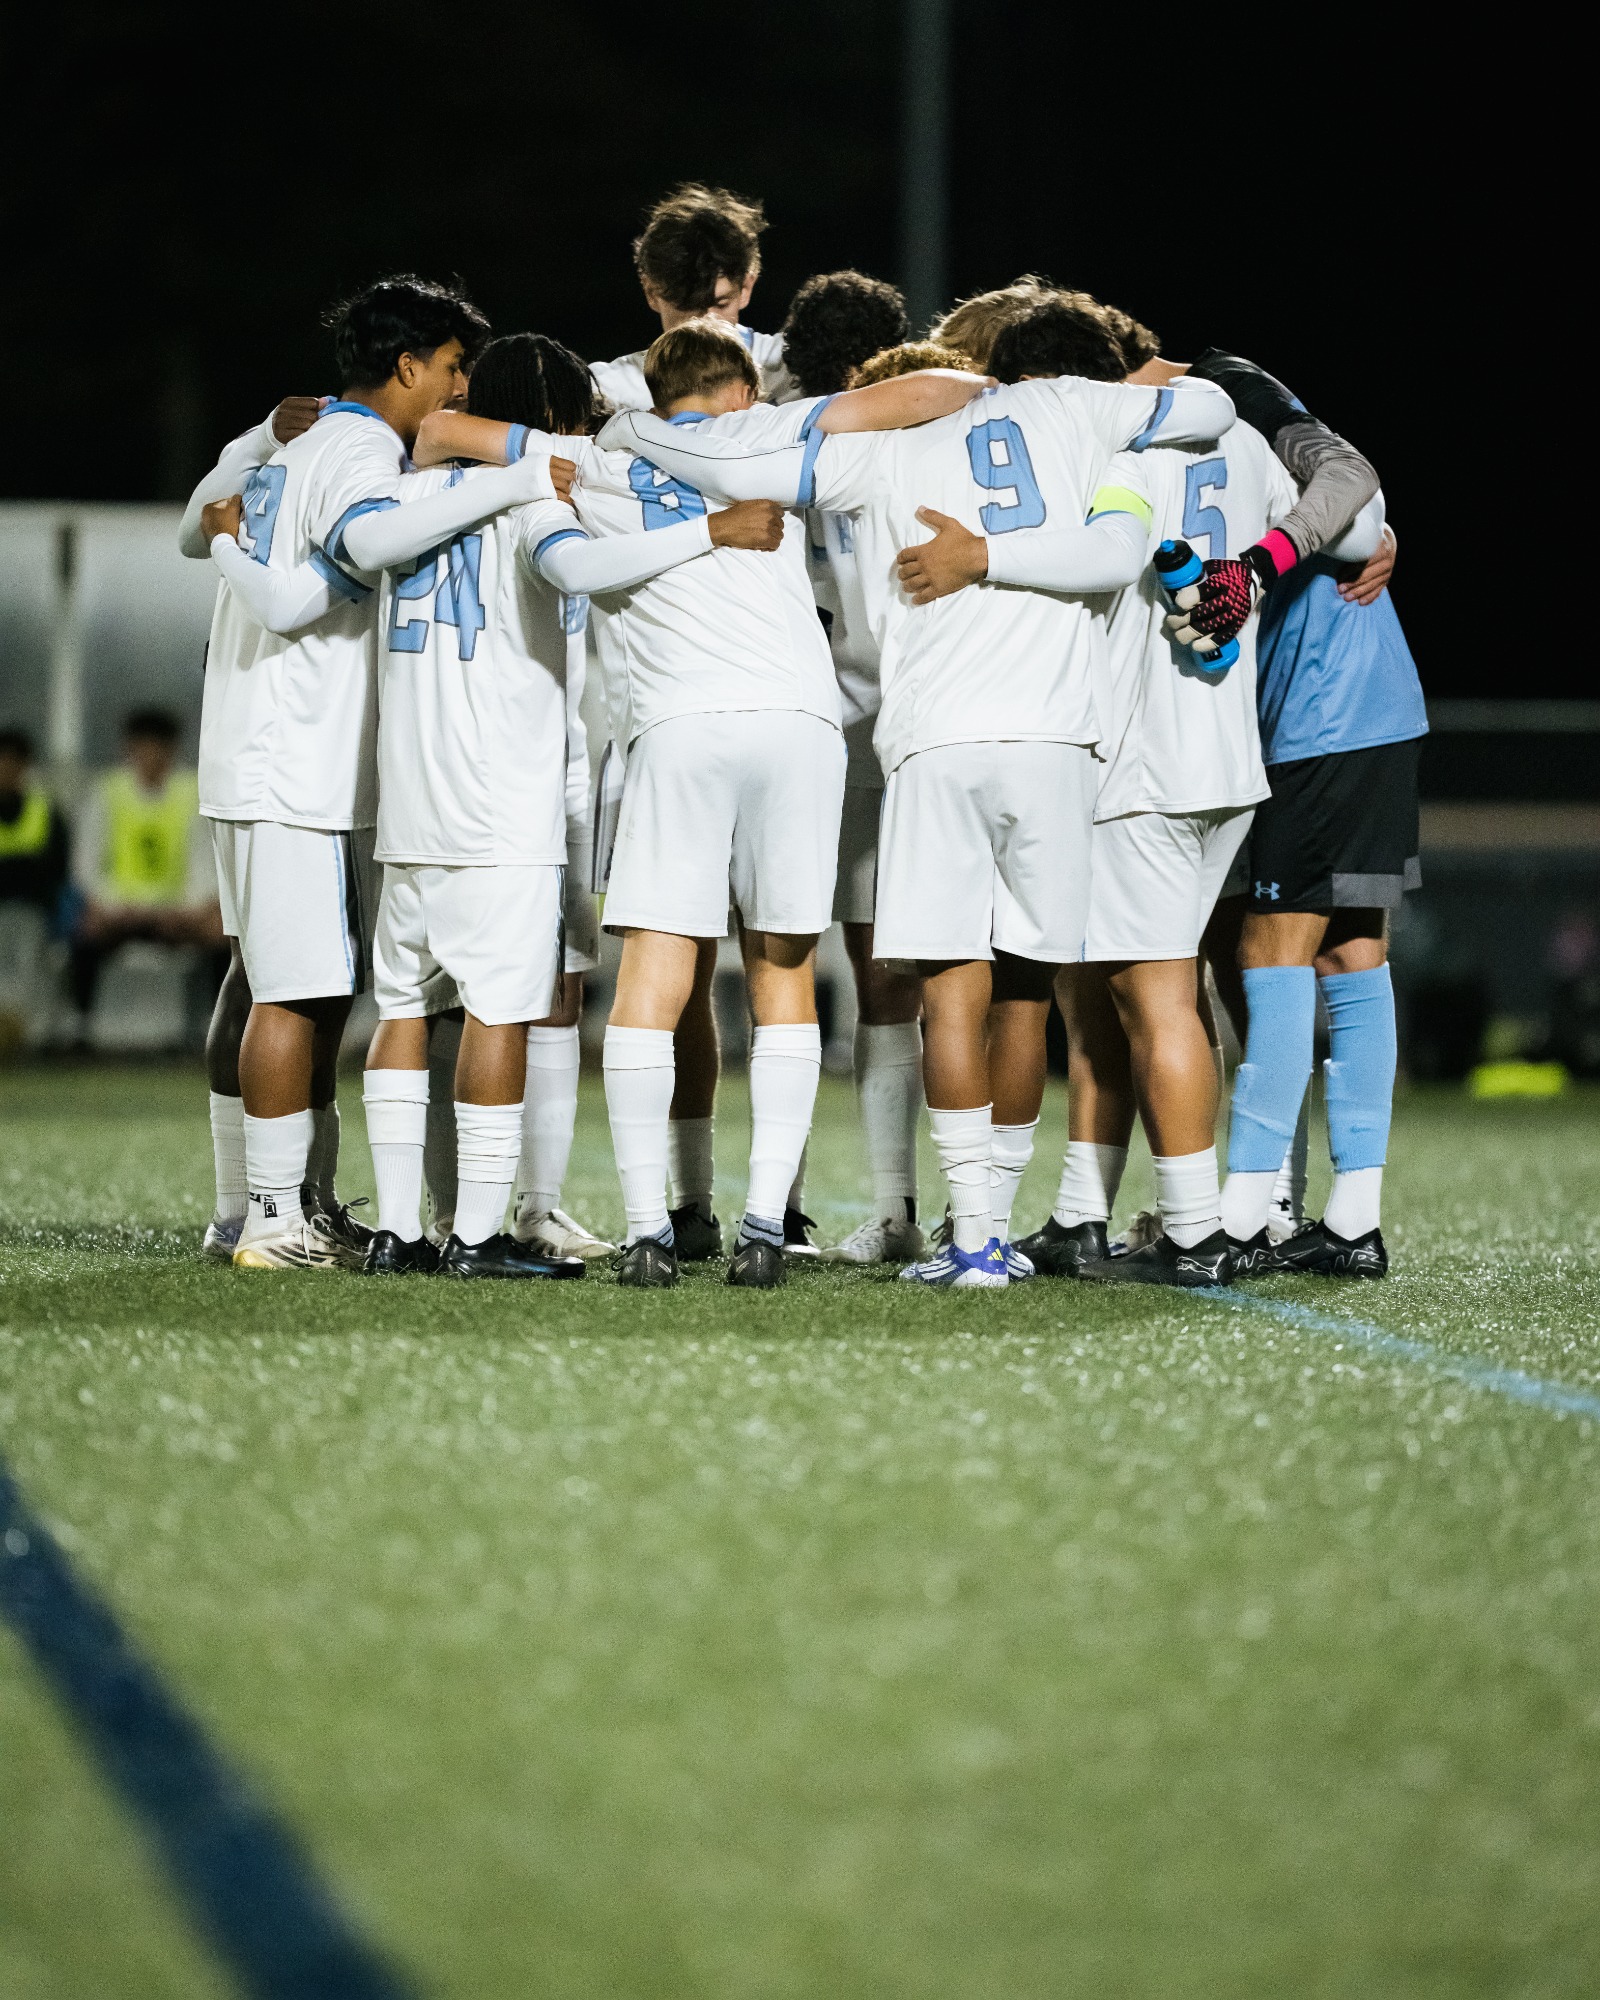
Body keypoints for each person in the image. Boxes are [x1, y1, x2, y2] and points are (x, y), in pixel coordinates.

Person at [602, 319, 1236, 1289]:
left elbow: (742, 468)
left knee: (949, 990)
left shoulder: (882, 449)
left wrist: (633, 429)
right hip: (1057, 741)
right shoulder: (1085, 417)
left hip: (932, 735)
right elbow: (1200, 420)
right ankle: (1009, 1228)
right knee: (1027, 991)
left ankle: (970, 1238)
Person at [897, 299, 1381, 1286]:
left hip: (1139, 756)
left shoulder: (1106, 450)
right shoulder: (1242, 440)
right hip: (1226, 754)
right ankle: (1092, 1211)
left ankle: (1197, 1234)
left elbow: (1088, 558)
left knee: (1152, 999)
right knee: (1135, 992)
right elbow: (1358, 524)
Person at [356, 332, 783, 1279]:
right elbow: (578, 570)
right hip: (501, 805)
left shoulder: (404, 496)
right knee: (501, 1013)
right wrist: (709, 532)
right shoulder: (535, 501)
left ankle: (396, 1230)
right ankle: (477, 1236)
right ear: (551, 416)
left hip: (410, 802)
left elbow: (366, 541)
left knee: (403, 1011)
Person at [196, 273, 564, 1270]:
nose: (458, 389)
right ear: (406, 365)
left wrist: (238, 479)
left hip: (257, 745)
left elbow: (201, 522)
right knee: (296, 992)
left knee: (282, 984)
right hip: (299, 757)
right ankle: (272, 1219)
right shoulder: (361, 451)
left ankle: (273, 1207)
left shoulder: (299, 444)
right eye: (449, 367)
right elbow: (357, 545)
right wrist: (519, 477)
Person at [780, 293, 982, 1266]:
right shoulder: (945, 437)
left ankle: (888, 1209)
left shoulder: (792, 437)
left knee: (873, 977)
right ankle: (965, 1212)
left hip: (848, 727)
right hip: (921, 725)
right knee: (948, 975)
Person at [68, 707, 223, 1035]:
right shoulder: (107, 792)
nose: (152, 756)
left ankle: (214, 1023)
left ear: (172, 749)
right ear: (129, 749)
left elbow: (205, 864)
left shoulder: (191, 793)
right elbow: (87, 865)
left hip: (175, 913)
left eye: (159, 747)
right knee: (86, 929)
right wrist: (113, 906)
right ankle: (81, 1022)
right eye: (144, 747)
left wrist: (187, 911)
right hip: (121, 912)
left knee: (220, 934)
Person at [590, 184, 790, 412]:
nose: (706, 322)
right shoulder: (607, 390)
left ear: (746, 288)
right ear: (651, 292)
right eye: (687, 305)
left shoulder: (794, 370)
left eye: (720, 304)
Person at [0, 727, 71, 1051]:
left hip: (33, 911)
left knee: (31, 955)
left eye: (13, 762)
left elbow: (56, 869)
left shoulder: (44, 810)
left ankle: (31, 1038)